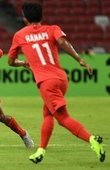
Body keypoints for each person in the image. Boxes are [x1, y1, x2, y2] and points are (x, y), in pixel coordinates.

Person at [7, 2, 105, 164]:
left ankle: (92, 139)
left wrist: (24, 63)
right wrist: (79, 59)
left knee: (63, 118)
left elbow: (10, 61)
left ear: (24, 19)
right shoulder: (53, 29)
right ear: (42, 17)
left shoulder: (20, 35)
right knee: (47, 113)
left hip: (46, 82)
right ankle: (41, 151)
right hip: (61, 79)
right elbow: (63, 43)